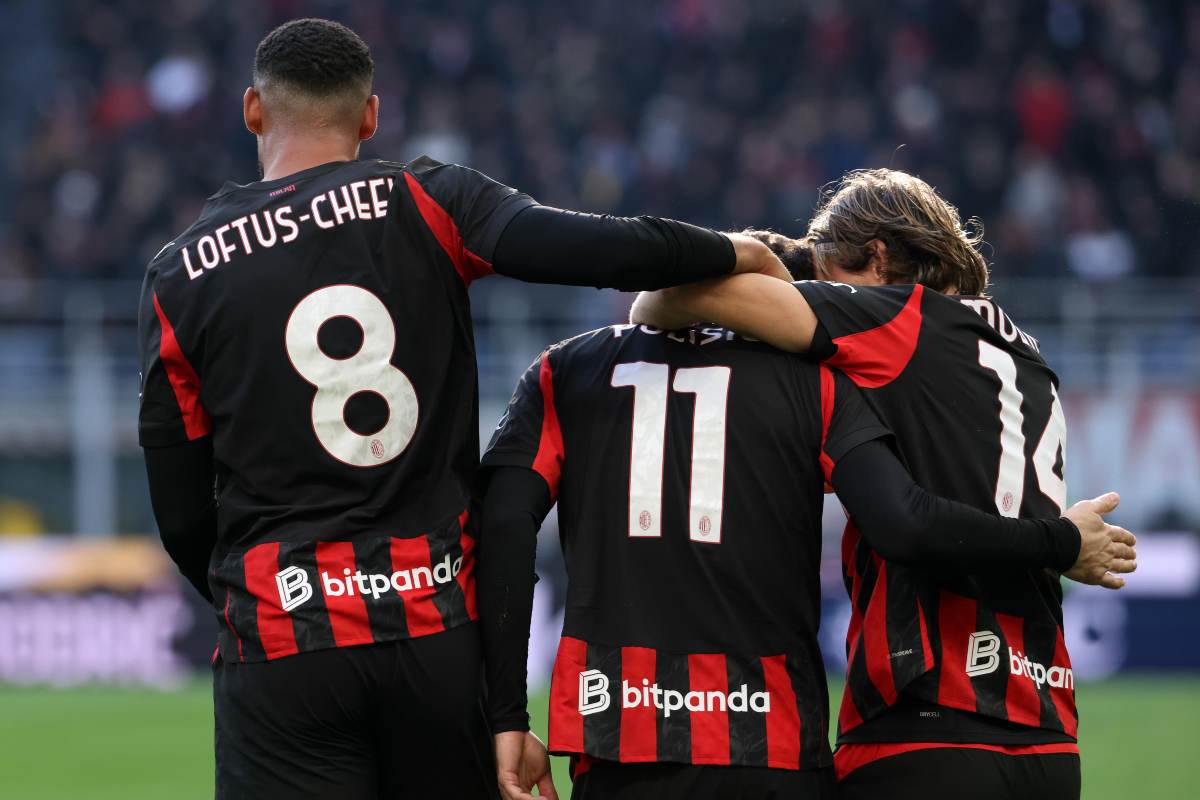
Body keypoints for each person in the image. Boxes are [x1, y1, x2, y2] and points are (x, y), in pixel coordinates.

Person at [136, 18, 788, 799]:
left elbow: (180, 515)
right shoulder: (427, 199)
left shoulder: (181, 273)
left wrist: (274, 598)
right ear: (369, 117)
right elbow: (591, 247)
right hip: (432, 627)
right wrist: (731, 250)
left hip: (284, 639)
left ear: (252, 111)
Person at [630, 169, 1137, 799]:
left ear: (875, 257)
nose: (823, 294)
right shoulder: (1029, 359)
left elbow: (661, 300)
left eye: (829, 276)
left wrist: (764, 257)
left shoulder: (897, 321)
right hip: (1047, 734)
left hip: (925, 727)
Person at [477, 318, 1134, 799]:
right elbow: (904, 521)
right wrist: (1057, 540)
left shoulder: (565, 370)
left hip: (622, 739)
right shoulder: (814, 384)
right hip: (776, 747)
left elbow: (502, 527)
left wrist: (506, 714)